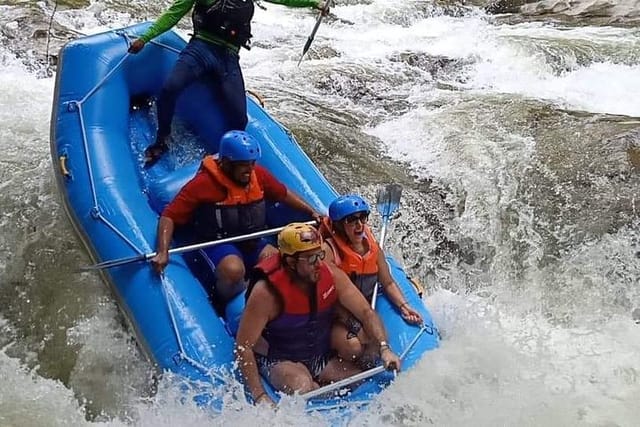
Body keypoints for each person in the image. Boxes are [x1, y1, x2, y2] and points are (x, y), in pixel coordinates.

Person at [128, 0, 328, 167]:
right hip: (200, 48)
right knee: (170, 88)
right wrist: (145, 38)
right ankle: (162, 140)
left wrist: (314, 3)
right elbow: (173, 14)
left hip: (228, 57)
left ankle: (226, 159)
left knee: (239, 118)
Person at [235, 222, 401, 405]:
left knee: (360, 379)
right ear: (291, 262)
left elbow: (365, 312)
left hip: (317, 355)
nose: (318, 264)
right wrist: (259, 396)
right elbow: (244, 347)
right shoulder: (266, 293)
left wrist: (385, 348)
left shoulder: (330, 274)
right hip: (278, 358)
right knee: (304, 387)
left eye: (319, 255)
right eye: (311, 258)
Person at [150, 130, 321, 303]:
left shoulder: (258, 175)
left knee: (277, 261)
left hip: (251, 240)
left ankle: (256, 292)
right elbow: (169, 216)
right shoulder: (203, 184)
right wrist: (162, 251)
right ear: (226, 163)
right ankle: (224, 301)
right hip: (215, 242)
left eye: (252, 163)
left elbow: (283, 194)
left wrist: (311, 211)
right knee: (233, 270)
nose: (249, 170)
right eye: (243, 165)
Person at [320, 194, 423, 365]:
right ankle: (332, 367)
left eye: (362, 217)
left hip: (363, 310)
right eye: (352, 220)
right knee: (353, 347)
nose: (359, 225)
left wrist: (404, 306)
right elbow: (329, 301)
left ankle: (366, 370)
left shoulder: (373, 249)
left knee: (377, 343)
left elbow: (388, 282)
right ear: (339, 226)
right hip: (336, 314)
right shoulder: (329, 252)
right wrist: (355, 326)